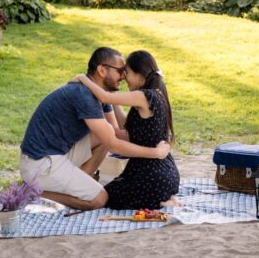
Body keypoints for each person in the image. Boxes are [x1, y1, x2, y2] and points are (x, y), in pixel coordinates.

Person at [19, 47, 172, 211]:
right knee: (100, 199)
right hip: (40, 164)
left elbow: (114, 132)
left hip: (56, 155)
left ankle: (82, 182)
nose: (123, 76)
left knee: (105, 133)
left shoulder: (99, 94)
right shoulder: (84, 95)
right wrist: (155, 153)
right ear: (102, 70)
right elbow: (113, 144)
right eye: (120, 71)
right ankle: (33, 192)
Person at [72, 49, 180, 209]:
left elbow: (104, 97)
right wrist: (114, 100)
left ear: (139, 74)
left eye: (127, 72)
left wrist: (83, 78)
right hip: (167, 175)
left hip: (151, 177)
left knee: (105, 196)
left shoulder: (144, 96)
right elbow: (124, 128)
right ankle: (162, 200)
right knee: (114, 189)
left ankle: (158, 201)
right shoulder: (156, 95)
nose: (123, 77)